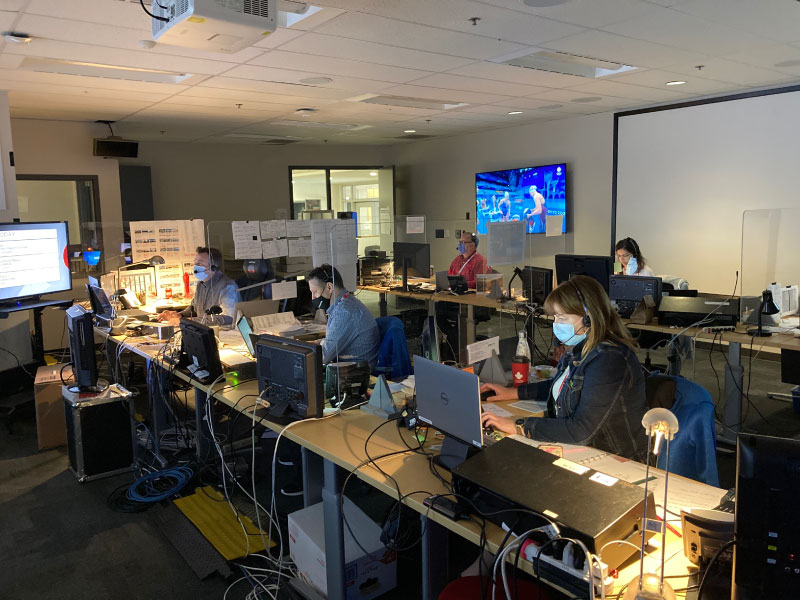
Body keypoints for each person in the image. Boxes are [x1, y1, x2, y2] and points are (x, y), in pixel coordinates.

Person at [480, 275, 648, 461]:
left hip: (614, 459)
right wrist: (512, 393)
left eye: (562, 318)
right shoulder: (579, 347)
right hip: (585, 450)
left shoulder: (609, 359)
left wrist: (519, 426)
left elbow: (581, 431)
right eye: (555, 317)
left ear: (588, 319)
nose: (556, 324)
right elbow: (562, 385)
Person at [307, 264, 380, 368]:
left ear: (329, 287)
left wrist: (300, 350)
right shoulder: (346, 303)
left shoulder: (344, 312)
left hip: (354, 374)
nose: (313, 297)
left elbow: (323, 356)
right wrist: (313, 343)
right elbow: (331, 342)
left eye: (314, 292)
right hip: (346, 368)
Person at [159, 246, 239, 327]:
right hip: (203, 331)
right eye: (195, 263)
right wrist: (179, 315)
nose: (195, 266)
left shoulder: (228, 286)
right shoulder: (201, 284)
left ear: (213, 267)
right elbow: (193, 308)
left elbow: (229, 318)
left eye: (199, 263)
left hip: (224, 334)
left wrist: (188, 321)